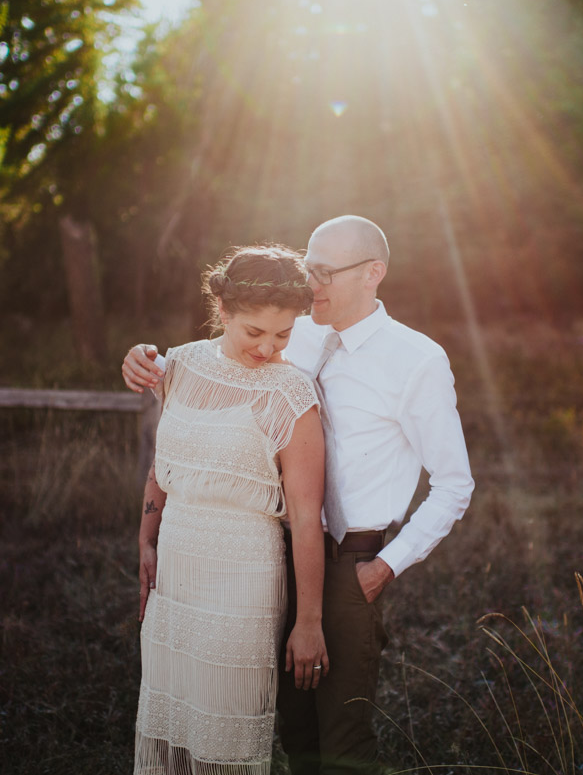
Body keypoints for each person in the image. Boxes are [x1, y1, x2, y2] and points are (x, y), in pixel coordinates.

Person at [124, 216, 475, 775]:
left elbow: (455, 483)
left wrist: (384, 566)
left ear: (373, 274)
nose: (311, 283)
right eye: (308, 267)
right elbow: (227, 365)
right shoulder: (296, 329)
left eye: (325, 272)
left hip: (349, 564)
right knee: (292, 730)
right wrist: (148, 360)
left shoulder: (417, 360)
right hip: (270, 557)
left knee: (342, 739)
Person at [133, 244, 330, 775]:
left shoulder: (292, 394)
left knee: (226, 721)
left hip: (244, 578)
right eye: (254, 332)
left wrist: (308, 622)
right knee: (175, 710)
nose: (268, 347)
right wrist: (146, 539)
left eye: (283, 334)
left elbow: (307, 519)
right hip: (177, 565)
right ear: (223, 311)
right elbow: (167, 462)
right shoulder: (180, 365)